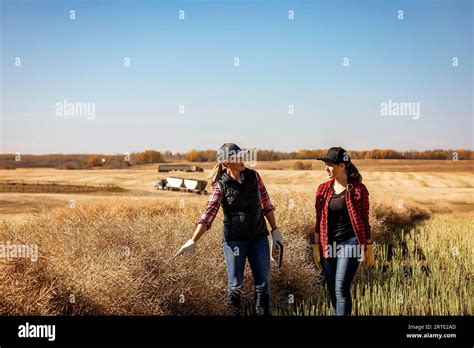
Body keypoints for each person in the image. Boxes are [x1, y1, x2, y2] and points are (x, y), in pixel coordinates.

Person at [176, 143, 283, 315]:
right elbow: (209, 213)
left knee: (263, 285)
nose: (243, 160)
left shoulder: (254, 177)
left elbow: (266, 204)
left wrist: (275, 230)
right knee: (235, 286)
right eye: (237, 157)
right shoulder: (220, 184)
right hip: (234, 241)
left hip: (259, 238)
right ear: (227, 163)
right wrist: (193, 240)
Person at [312, 147, 374, 316]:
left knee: (341, 288)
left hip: (350, 242)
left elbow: (364, 220)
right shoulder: (323, 189)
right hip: (328, 243)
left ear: (342, 166)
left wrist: (368, 246)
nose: (326, 168)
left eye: (329, 165)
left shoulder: (358, 190)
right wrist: (316, 245)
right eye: (325, 164)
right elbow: (319, 220)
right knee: (332, 290)